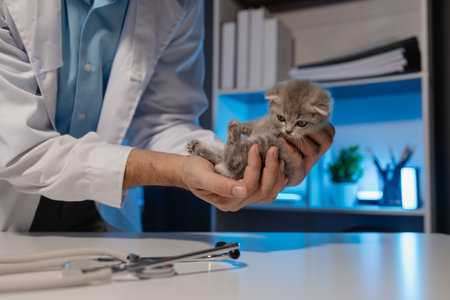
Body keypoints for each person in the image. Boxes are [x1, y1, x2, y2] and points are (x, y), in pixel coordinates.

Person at [0, 0, 335, 232]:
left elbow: (165, 120)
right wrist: (179, 172)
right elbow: (22, 149)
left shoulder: (179, 5)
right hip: (10, 203)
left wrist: (236, 166)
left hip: (101, 210)